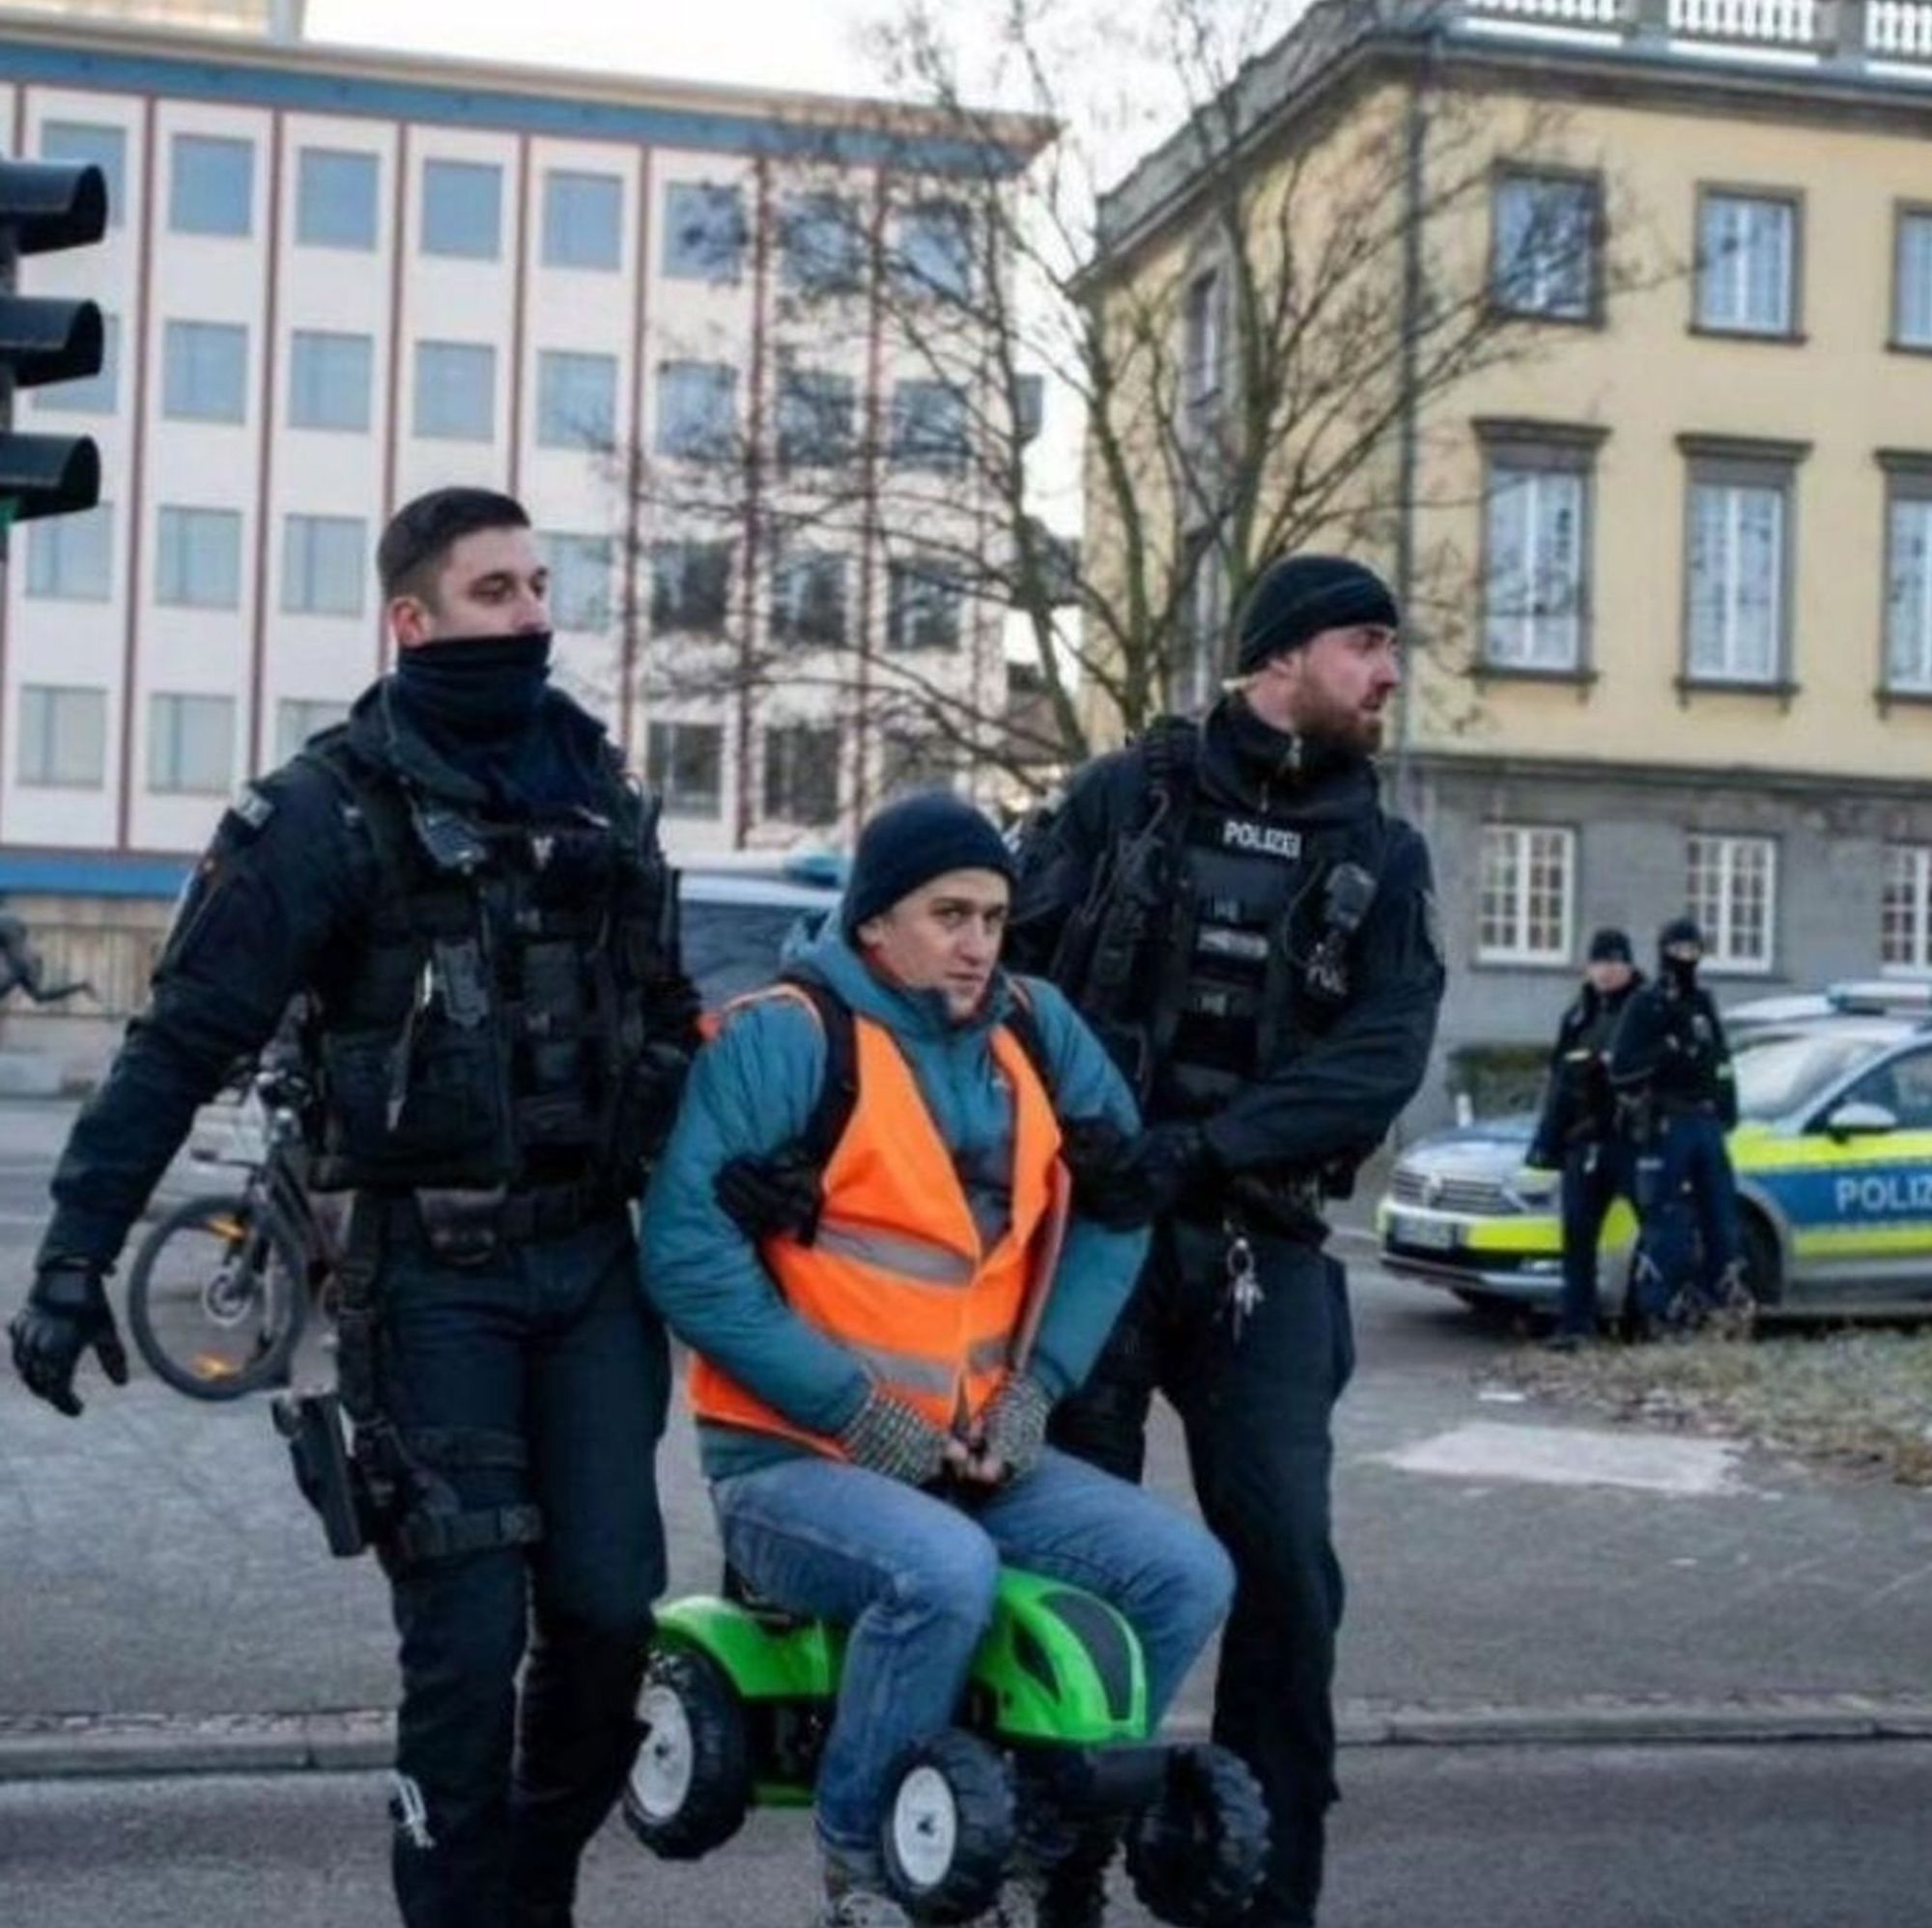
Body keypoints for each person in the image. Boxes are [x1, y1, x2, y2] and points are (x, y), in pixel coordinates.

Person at [8, 487, 696, 1928]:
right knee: (463, 1637)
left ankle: (532, 1884)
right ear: (412, 618)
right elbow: (178, 1041)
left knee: (609, 1615)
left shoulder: (599, 794)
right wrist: (76, 1253)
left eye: (538, 588)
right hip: (429, 1281)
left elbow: (664, 1019)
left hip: (590, 1268)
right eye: (495, 592)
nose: (531, 617)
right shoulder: (323, 811)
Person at [641, 790, 1236, 1928]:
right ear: (873, 923)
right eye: (946, 913)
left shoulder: (1034, 1029)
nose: (975, 944)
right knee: (941, 1571)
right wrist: (855, 1411)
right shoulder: (784, 1035)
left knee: (1185, 1572)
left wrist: (1038, 1390)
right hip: (790, 1461)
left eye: (993, 917)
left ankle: (1027, 1847)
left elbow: (1120, 1200)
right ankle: (861, 1862)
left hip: (972, 1452)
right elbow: (684, 1257)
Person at [1005, 552, 1445, 1928]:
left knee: (1289, 1574)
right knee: (1067, 1562)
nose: (1387, 675)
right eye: (1367, 645)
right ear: (1284, 656)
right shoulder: (1124, 797)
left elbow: (1381, 1056)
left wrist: (1205, 1146)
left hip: (1260, 1248)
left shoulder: (1383, 849)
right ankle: (1052, 1869)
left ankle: (1265, 1893)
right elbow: (1001, 973)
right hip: (1093, 1245)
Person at [1608, 915, 1747, 1336]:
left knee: (1721, 1215)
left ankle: (1719, 1303)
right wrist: (1665, 1052)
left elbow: (1720, 1059)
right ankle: (1659, 1310)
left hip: (1705, 1122)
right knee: (1666, 1222)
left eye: (1693, 950)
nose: (1686, 958)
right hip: (1665, 1122)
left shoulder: (1703, 1003)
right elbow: (1623, 1067)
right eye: (1678, 950)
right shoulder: (1647, 1003)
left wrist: (1727, 1106)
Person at [1524, 927, 1645, 1349]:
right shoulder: (1579, 1014)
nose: (1608, 971)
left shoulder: (1645, 1008)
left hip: (1631, 1139)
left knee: (1656, 1232)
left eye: (1615, 962)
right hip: (1583, 1140)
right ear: (1589, 968)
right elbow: (1559, 1082)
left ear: (1629, 965)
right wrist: (1546, 1144)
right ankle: (1576, 1325)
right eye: (1600, 963)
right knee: (1577, 1235)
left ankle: (1648, 1321)